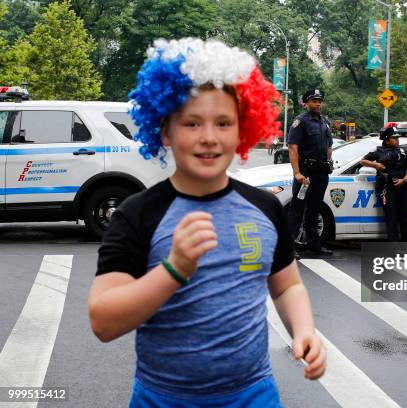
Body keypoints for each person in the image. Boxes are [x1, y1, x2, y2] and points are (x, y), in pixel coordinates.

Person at [88, 38, 326, 407]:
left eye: (223, 123)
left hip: (254, 395)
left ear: (242, 130)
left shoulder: (264, 207)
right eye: (192, 123)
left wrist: (304, 329)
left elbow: (286, 286)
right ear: (165, 130)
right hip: (163, 399)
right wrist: (173, 270)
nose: (209, 138)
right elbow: (103, 321)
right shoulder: (138, 214)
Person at [287, 88, 333, 256]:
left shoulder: (325, 122)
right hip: (305, 173)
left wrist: (329, 162)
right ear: (306, 103)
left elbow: (329, 145)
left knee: (315, 208)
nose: (318, 103)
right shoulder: (301, 121)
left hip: (321, 172)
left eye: (320, 100)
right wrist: (297, 173)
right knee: (297, 209)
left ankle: (314, 245)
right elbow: (293, 148)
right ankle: (289, 247)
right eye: (314, 101)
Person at [360, 126, 407, 241]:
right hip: (387, 187)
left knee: (406, 216)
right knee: (391, 217)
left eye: (397, 138)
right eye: (394, 138)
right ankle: (393, 246)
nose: (397, 140)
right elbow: (362, 161)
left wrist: (404, 180)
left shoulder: (405, 150)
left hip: (405, 186)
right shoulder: (379, 150)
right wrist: (376, 165)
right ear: (386, 140)